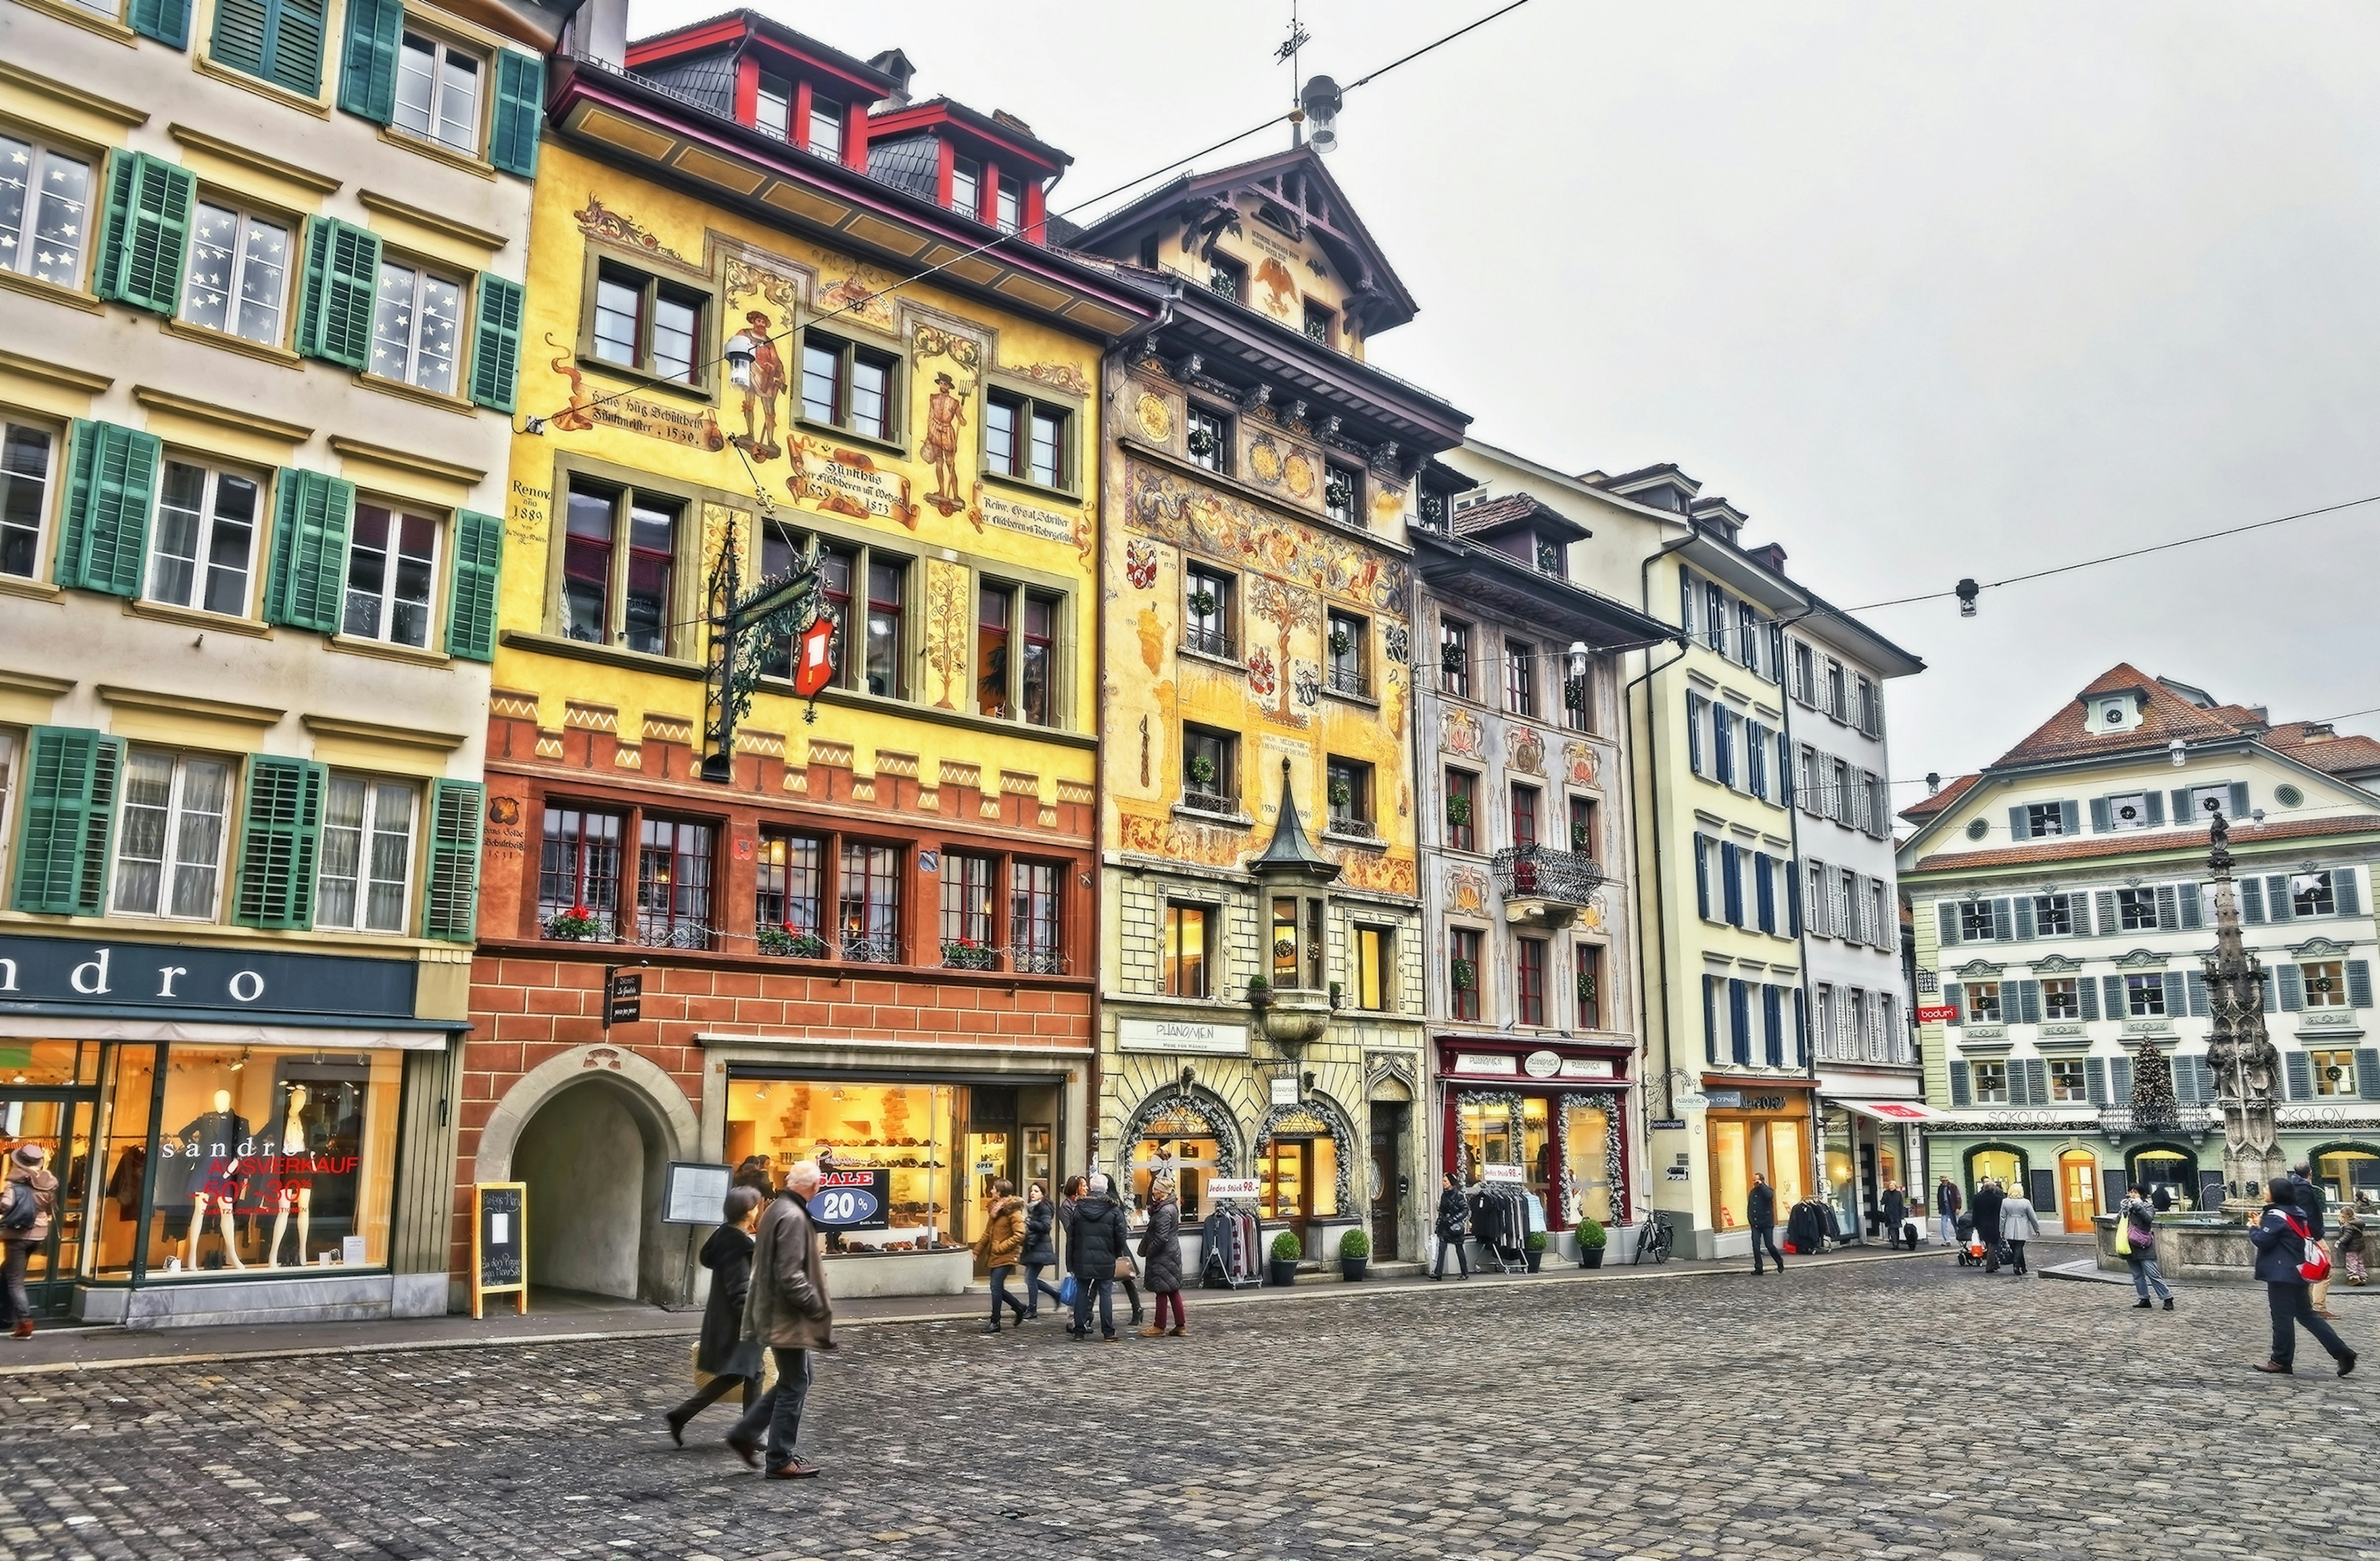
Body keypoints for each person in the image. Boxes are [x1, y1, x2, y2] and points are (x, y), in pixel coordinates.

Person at [726, 1159, 833, 1477]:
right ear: (814, 1187)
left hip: (774, 1310)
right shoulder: (793, 1215)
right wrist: (816, 1306)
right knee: (796, 1381)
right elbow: (791, 1275)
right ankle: (779, 1458)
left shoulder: (777, 1208)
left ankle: (746, 1433)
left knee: (798, 1378)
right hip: (785, 1315)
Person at [664, 1186, 766, 1444]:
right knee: (754, 1371)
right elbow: (740, 1291)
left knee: (737, 1374)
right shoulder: (737, 1244)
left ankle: (680, 1415)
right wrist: (756, 1323)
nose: (758, 1210)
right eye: (756, 1206)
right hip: (736, 1324)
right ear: (748, 1212)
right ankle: (751, 1433)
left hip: (723, 1321)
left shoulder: (724, 1236)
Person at [2249, 1175, 2356, 1378]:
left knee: (2282, 1318)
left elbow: (2263, 1240)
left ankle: (2280, 1360)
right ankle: (2343, 1352)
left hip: (2281, 1273)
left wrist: (2254, 1228)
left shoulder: (2275, 1215)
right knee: (2307, 1315)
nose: (2263, 1190)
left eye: (2267, 1188)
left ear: (2276, 1193)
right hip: (2299, 1270)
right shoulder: (2296, 1212)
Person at [0, 1144, 57, 1340]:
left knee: (15, 1280)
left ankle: (25, 1323)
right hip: (38, 1234)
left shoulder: (16, 1182)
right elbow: (47, 1206)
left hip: (18, 1235)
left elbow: (6, 1204)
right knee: (6, 1272)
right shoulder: (47, 1183)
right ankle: (4, 1316)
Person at [1065, 1172, 1129, 1342]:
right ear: (1106, 1188)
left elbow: (1071, 1235)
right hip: (1106, 1258)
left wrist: (1071, 1260)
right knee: (1105, 1294)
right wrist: (1114, 1253)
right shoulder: (1114, 1210)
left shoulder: (1078, 1208)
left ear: (1092, 1188)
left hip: (1082, 1257)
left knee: (1081, 1292)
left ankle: (1079, 1329)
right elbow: (1121, 1236)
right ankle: (1108, 1331)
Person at [974, 1179, 1028, 1333]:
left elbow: (1020, 1234)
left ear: (1000, 1192)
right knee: (997, 1287)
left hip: (1007, 1255)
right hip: (996, 1254)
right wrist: (977, 1250)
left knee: (996, 1286)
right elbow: (987, 1232)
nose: (991, 1191)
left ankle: (995, 1321)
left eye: (994, 1189)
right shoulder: (995, 1210)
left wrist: (1001, 1247)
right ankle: (1019, 1307)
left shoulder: (1013, 1211)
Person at [1138, 1173, 1187, 1337]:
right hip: (1170, 1253)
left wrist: (1150, 1251)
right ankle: (1180, 1325)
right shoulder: (1169, 1207)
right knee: (1172, 1290)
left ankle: (1159, 1326)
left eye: (1155, 1189)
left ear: (1161, 1192)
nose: (1153, 1192)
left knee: (1162, 1290)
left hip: (1164, 1255)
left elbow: (1161, 1236)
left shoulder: (1165, 1210)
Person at [2288, 1163, 2337, 1319]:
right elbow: (2307, 1215)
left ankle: (2305, 1306)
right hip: (2311, 1236)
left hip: (2300, 1236)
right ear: (2310, 1174)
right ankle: (2318, 1307)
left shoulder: (2291, 1186)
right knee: (2325, 1268)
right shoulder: (2304, 1189)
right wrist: (2316, 1235)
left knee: (2307, 1269)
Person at [2117, 1185, 2173, 1310]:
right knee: (2137, 1275)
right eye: (2131, 1192)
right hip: (2129, 1245)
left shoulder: (2148, 1206)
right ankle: (2144, 1298)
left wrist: (2137, 1206)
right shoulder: (2127, 1206)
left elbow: (2148, 1219)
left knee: (2153, 1273)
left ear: (2141, 1195)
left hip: (2143, 1244)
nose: (2132, 1195)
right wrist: (2123, 1211)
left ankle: (2167, 1298)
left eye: (2135, 1192)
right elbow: (2118, 1221)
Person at [1020, 1181, 1066, 1316]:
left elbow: (1046, 1226)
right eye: (1032, 1191)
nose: (1033, 1194)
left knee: (1030, 1279)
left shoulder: (1044, 1207)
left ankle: (1033, 1309)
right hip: (1034, 1247)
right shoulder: (1034, 1207)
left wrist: (1028, 1221)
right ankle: (1055, 1295)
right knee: (1030, 1279)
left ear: (1043, 1193)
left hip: (1040, 1247)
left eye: (1036, 1191)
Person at [1430, 1172, 1471, 1280]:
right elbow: (1442, 1212)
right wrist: (1439, 1223)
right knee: (1442, 1249)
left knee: (1459, 1249)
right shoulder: (1444, 1195)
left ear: (1451, 1183)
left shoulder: (1458, 1195)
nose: (1443, 1183)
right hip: (1445, 1226)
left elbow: (1465, 1210)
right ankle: (1438, 1272)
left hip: (1454, 1227)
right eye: (1443, 1181)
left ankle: (1464, 1272)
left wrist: (1453, 1219)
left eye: (1445, 1181)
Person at [1998, 1184, 2042, 1276]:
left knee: (2015, 1248)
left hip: (2009, 1226)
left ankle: (2023, 1267)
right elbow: (2032, 1217)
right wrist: (2036, 1229)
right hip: (2022, 1226)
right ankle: (2017, 1265)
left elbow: (2002, 1217)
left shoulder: (2005, 1202)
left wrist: (2001, 1230)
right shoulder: (2026, 1202)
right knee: (2019, 1247)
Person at [1747, 1172, 1784, 1275]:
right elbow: (1750, 1207)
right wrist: (1750, 1219)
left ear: (1762, 1181)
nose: (1755, 1183)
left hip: (1767, 1223)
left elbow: (1769, 1196)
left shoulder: (1767, 1190)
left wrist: (1762, 1185)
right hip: (1756, 1224)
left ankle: (1779, 1261)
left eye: (1756, 1180)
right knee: (1756, 1246)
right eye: (1753, 1180)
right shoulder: (1752, 1192)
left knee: (1769, 1245)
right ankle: (1759, 1268)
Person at [1972, 1177, 2008, 1275]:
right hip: (1994, 1224)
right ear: (1993, 1189)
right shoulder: (1999, 1200)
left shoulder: (1977, 1198)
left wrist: (1974, 1224)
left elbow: (1975, 1212)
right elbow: (2001, 1213)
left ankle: (1994, 1263)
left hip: (1981, 1225)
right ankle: (1990, 1265)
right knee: (1993, 1244)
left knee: (1988, 1243)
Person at [1880, 1182, 1910, 1250]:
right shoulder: (1886, 1193)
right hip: (1889, 1214)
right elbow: (1883, 1202)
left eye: (1892, 1186)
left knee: (1896, 1229)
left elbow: (1901, 1205)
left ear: (1895, 1186)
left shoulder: (1898, 1194)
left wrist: (1902, 1214)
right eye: (1890, 1186)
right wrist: (1883, 1199)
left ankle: (1897, 1242)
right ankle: (1895, 1244)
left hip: (1897, 1214)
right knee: (1891, 1229)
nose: (1891, 1187)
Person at [1935, 1176, 1962, 1247]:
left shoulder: (1953, 1187)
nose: (1944, 1182)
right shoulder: (1941, 1188)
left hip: (1952, 1207)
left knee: (1956, 1224)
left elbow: (1958, 1197)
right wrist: (1940, 1208)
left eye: (1945, 1181)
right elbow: (1939, 1198)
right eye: (1943, 1181)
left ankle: (1960, 1239)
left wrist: (1958, 1207)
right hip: (1945, 1207)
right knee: (1943, 1224)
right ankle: (1947, 1240)